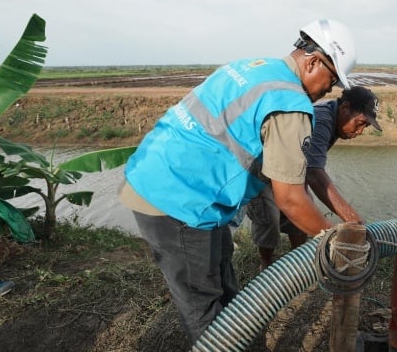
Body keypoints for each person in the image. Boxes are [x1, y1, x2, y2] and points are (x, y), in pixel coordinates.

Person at [118, 18, 357, 345]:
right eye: (332, 79)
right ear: (314, 61)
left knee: (225, 282)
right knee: (204, 305)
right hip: (178, 200)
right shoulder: (291, 103)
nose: (330, 90)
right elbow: (290, 200)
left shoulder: (252, 66)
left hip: (162, 176)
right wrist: (336, 241)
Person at [247, 86, 381, 270]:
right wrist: (353, 220)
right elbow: (314, 172)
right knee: (268, 218)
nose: (360, 132)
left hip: (286, 168)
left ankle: (298, 262)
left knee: (302, 210)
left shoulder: (335, 120)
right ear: (345, 108)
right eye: (360, 123)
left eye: (365, 127)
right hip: (260, 168)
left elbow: (306, 163)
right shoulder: (322, 119)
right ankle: (266, 265)